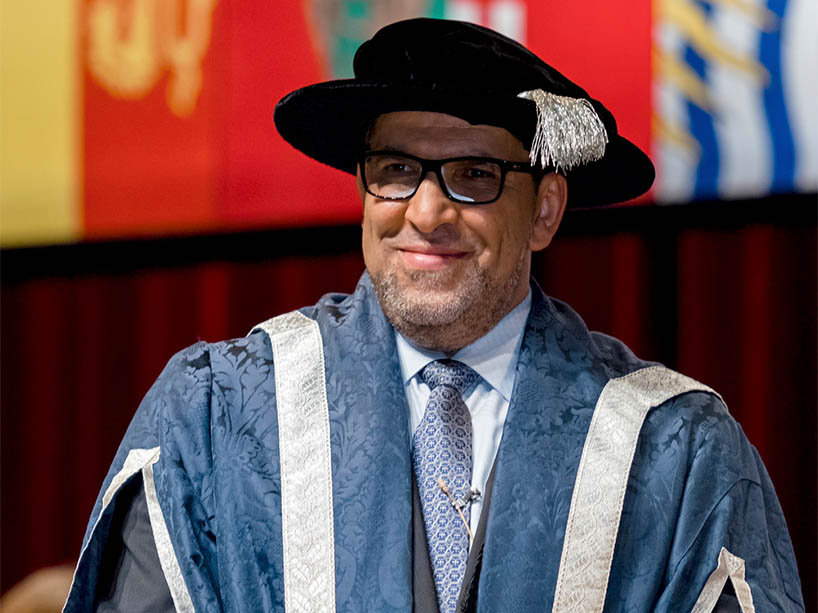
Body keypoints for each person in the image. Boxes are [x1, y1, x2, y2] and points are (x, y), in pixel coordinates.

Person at [64, 18, 803, 612]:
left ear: (545, 209)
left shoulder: (673, 450)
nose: (425, 212)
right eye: (395, 170)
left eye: (474, 176)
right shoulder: (216, 416)